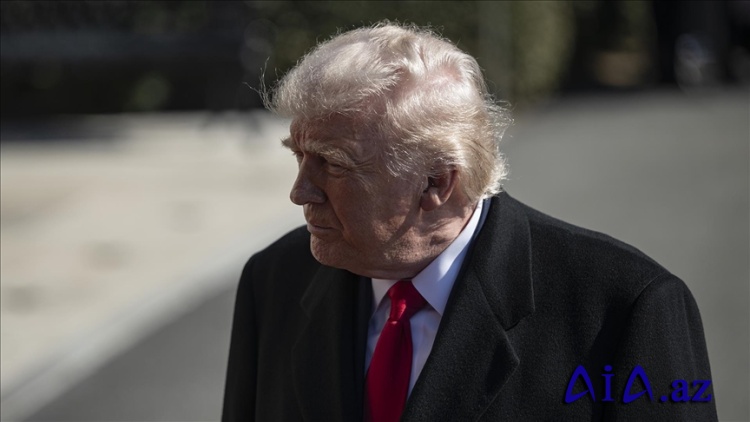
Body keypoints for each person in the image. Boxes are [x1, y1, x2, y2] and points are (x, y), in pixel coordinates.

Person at [222, 22, 717, 421]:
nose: (300, 192)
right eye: (300, 156)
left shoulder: (625, 308)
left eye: (333, 164)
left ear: (437, 183)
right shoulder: (275, 280)